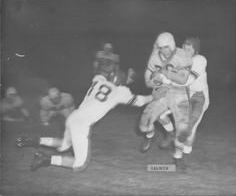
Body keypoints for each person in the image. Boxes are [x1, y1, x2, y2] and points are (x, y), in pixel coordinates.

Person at [17, 69, 152, 172]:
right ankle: (45, 159)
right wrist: (153, 96)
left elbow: (99, 74)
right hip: (81, 124)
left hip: (73, 117)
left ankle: (34, 140)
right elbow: (140, 101)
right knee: (80, 164)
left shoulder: (98, 81)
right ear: (121, 83)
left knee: (65, 144)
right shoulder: (120, 91)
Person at [160, 37, 209, 168]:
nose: (186, 51)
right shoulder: (179, 58)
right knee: (160, 113)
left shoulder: (199, 60)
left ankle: (182, 155)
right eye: (185, 48)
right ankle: (171, 137)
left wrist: (166, 78)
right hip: (183, 95)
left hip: (198, 97)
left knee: (188, 130)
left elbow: (187, 81)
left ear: (195, 50)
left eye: (189, 49)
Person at [140, 32, 192, 153]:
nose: (164, 50)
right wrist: (155, 82)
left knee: (183, 130)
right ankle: (152, 135)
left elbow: (183, 79)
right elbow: (148, 81)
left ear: (172, 45)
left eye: (167, 47)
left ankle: (178, 156)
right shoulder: (155, 57)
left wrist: (165, 74)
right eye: (162, 47)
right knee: (144, 125)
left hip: (179, 92)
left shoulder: (182, 56)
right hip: (162, 90)